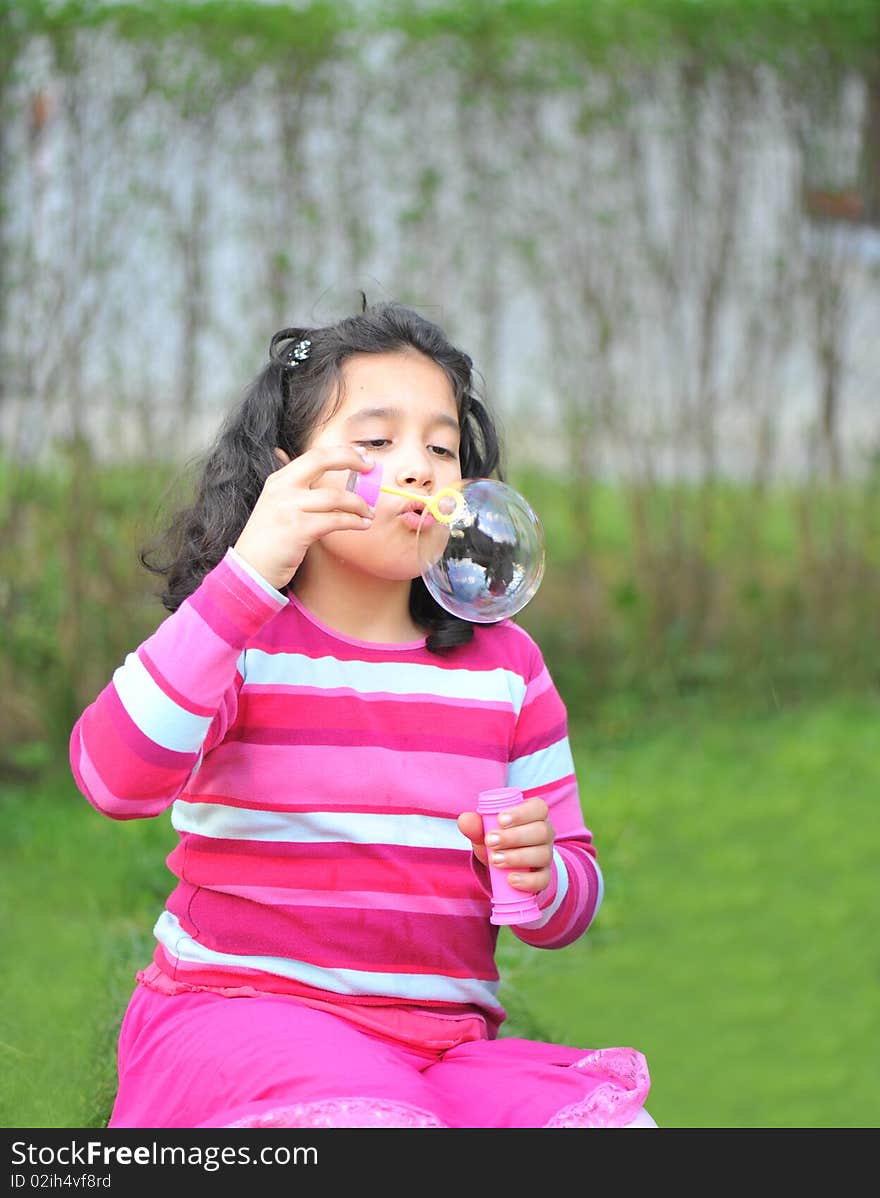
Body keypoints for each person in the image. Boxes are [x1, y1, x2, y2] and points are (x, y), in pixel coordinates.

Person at [69, 300, 655, 1129]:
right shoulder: (241, 636)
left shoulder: (507, 668)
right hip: (244, 1019)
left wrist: (540, 872)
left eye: (442, 446)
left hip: (442, 1049)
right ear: (287, 476)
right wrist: (243, 578)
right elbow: (111, 778)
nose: (418, 467)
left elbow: (569, 898)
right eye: (376, 442)